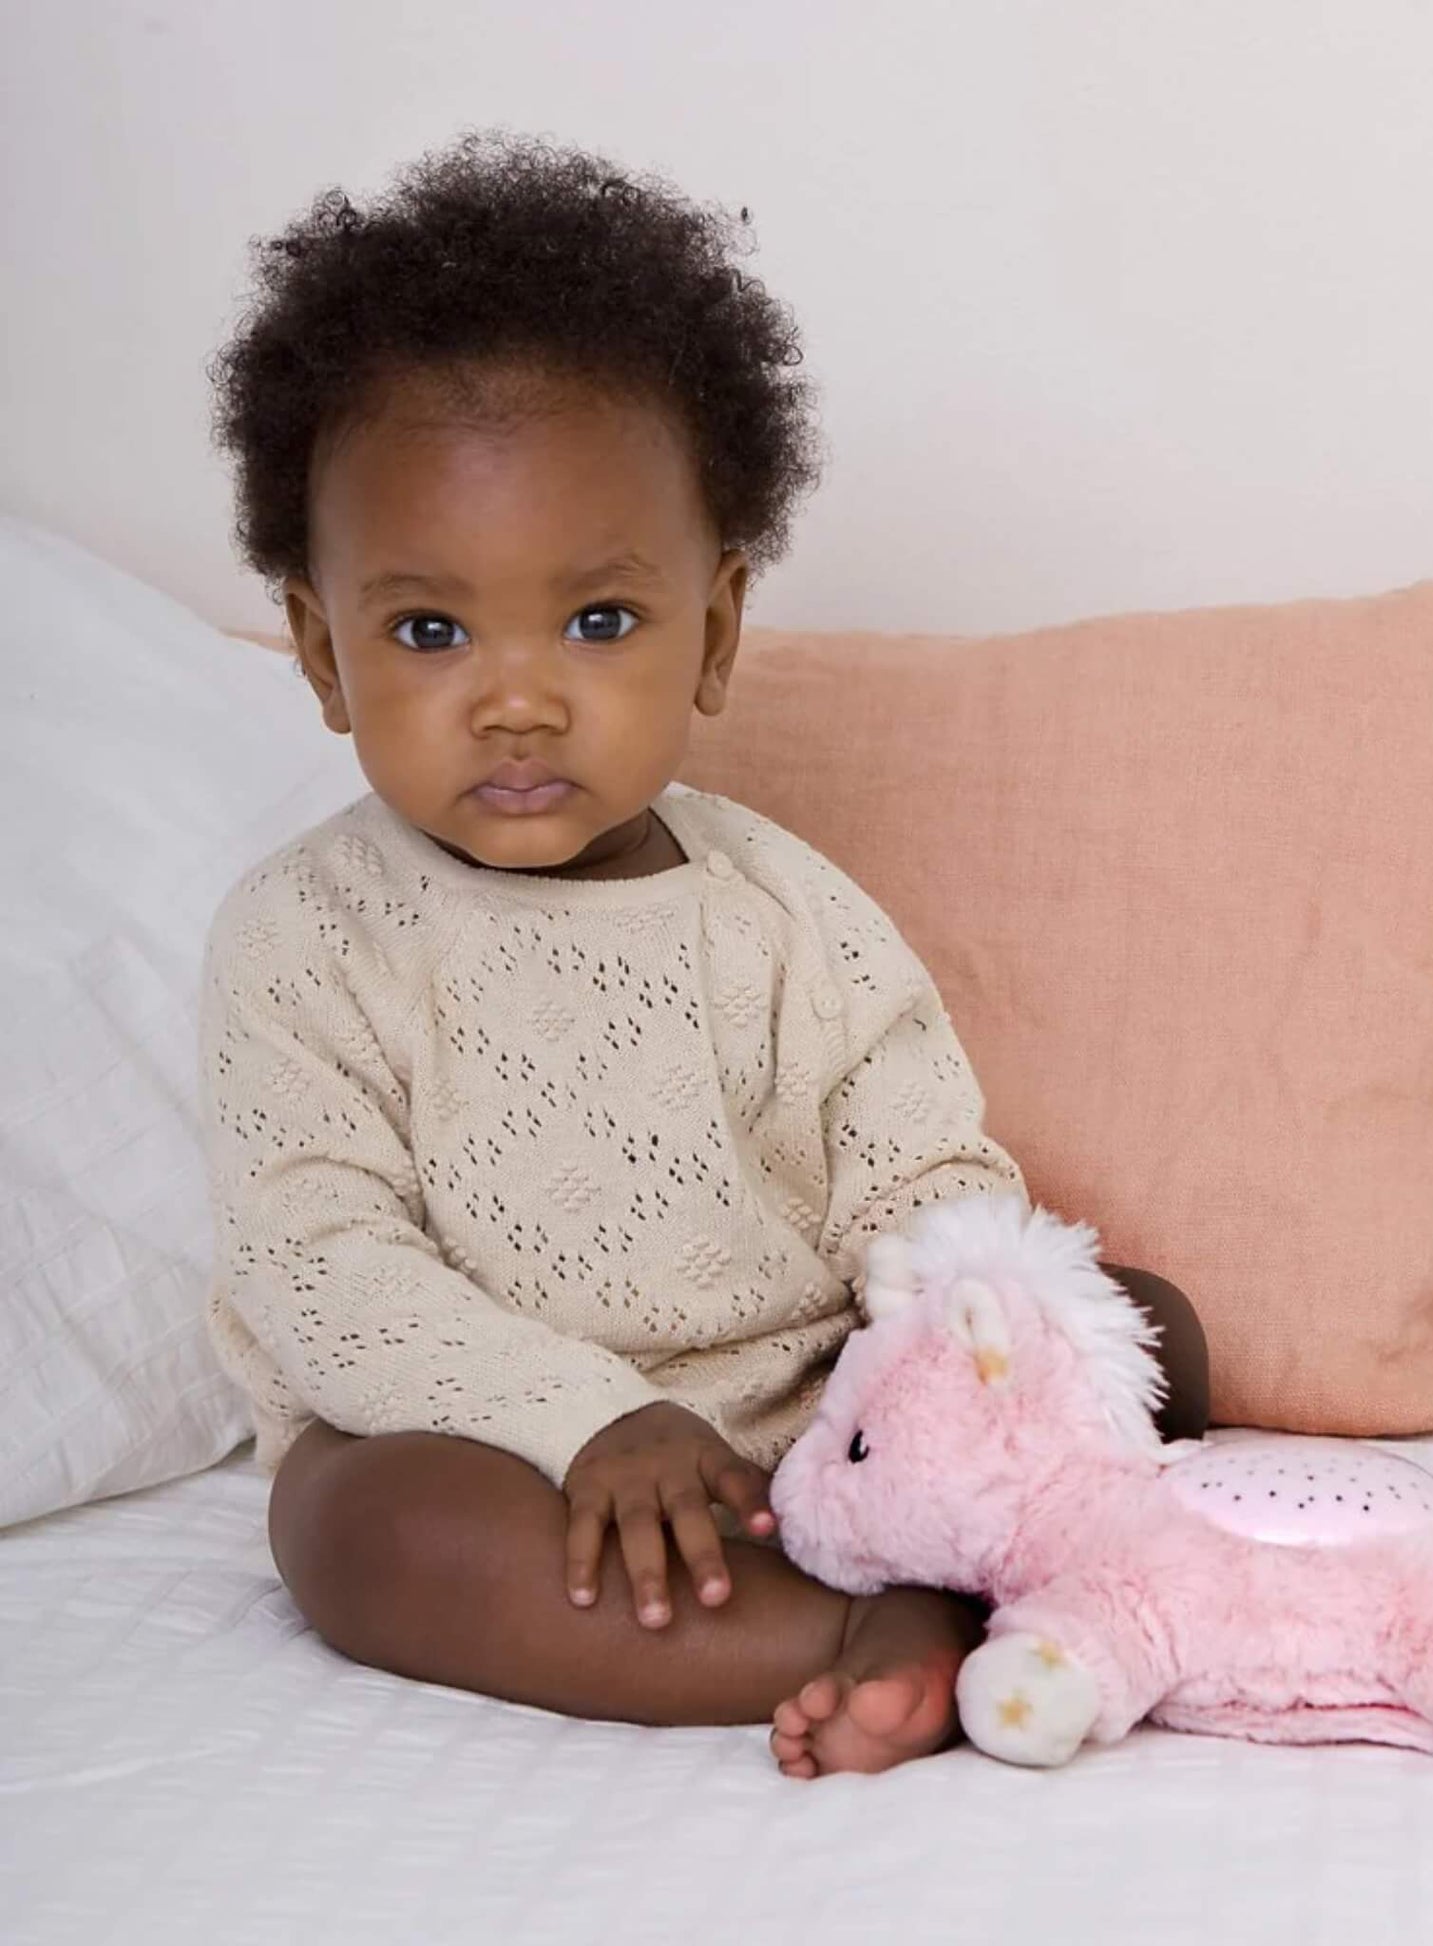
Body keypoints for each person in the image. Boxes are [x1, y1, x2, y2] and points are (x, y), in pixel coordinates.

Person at [203, 134, 1207, 1780]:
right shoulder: (303, 936)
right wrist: (586, 1415)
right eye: (429, 629)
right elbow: (322, 1271)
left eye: (597, 621)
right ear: (321, 650)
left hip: (817, 1421)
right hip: (520, 1456)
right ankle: (890, 1627)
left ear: (715, 630)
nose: (517, 696)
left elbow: (915, 1172)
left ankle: (936, 1553)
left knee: (1137, 1322)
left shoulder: (780, 909)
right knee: (354, 1523)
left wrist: (958, 1341)